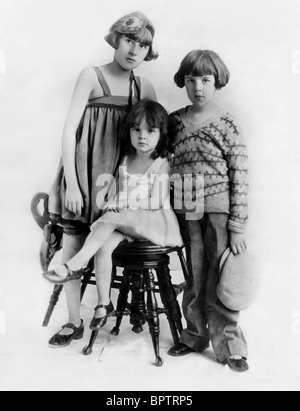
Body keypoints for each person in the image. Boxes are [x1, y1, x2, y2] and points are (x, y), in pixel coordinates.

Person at [47, 12, 159, 348]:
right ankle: (72, 321)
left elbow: (151, 140)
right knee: (74, 244)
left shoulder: (146, 87)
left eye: (143, 45)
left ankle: (126, 309)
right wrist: (75, 184)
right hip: (84, 173)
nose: (134, 50)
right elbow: (69, 130)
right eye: (129, 40)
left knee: (106, 241)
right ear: (115, 39)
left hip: (120, 182)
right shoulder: (91, 76)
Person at [44, 100, 183, 332]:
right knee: (104, 243)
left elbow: (155, 200)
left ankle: (75, 264)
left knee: (110, 218)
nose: (142, 136)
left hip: (155, 223)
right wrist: (111, 202)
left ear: (162, 134)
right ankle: (103, 303)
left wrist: (120, 203)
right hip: (126, 223)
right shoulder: (126, 159)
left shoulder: (161, 163)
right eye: (136, 129)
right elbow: (114, 192)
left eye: (151, 131)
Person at [168, 50, 249, 372]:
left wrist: (238, 224)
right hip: (187, 211)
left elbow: (240, 173)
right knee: (195, 276)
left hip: (218, 212)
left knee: (220, 281)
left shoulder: (227, 123)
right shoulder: (174, 121)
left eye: (205, 80)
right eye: (191, 80)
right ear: (183, 83)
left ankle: (231, 346)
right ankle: (194, 335)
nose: (198, 87)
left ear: (217, 82)